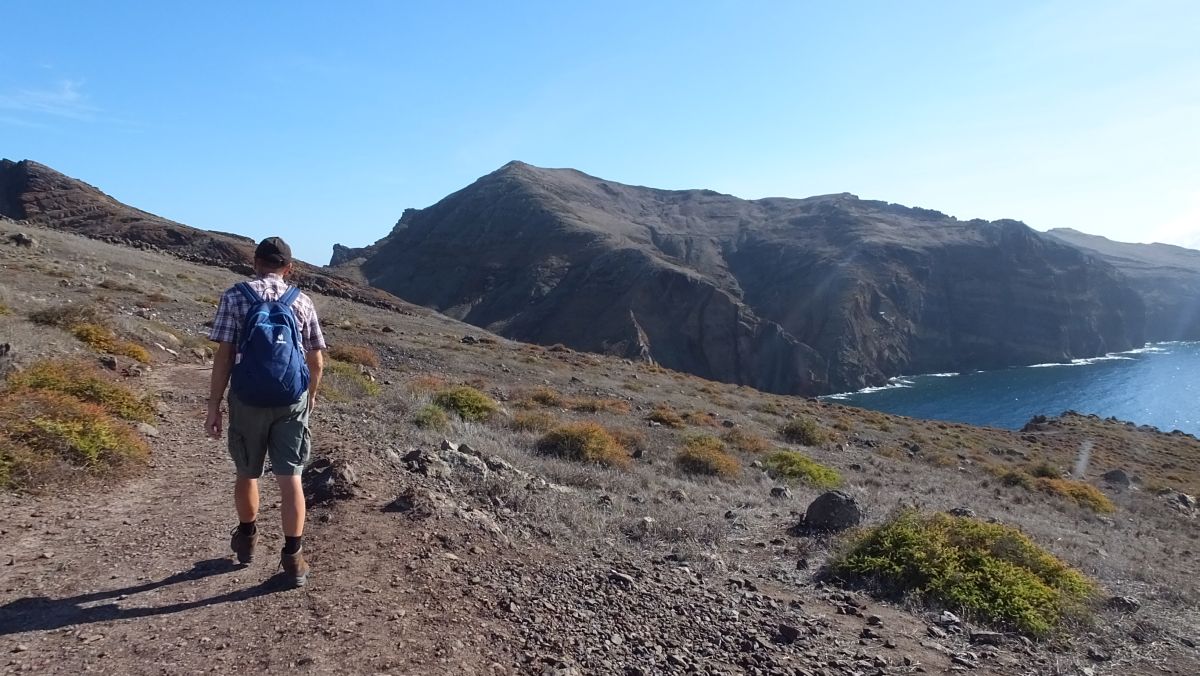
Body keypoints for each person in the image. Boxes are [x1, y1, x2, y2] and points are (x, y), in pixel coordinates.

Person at [205, 237, 326, 587]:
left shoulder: (235, 296)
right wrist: (310, 397)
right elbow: (315, 360)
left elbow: (224, 357)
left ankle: (247, 539)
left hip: (247, 399)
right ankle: (293, 557)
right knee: (291, 478)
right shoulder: (302, 301)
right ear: (288, 268)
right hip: (291, 400)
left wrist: (214, 407)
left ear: (255, 263)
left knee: (248, 472)